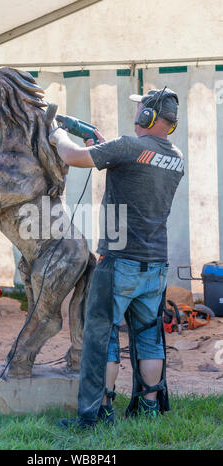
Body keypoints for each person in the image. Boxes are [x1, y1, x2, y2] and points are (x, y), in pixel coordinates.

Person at [49, 88, 184, 428]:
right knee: (150, 336)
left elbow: (72, 157)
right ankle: (150, 408)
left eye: (140, 109)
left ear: (147, 117)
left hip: (119, 261)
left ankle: (96, 415)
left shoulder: (128, 146)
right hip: (156, 264)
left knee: (102, 336)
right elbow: (138, 162)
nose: (136, 113)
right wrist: (106, 146)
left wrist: (58, 134)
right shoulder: (176, 156)